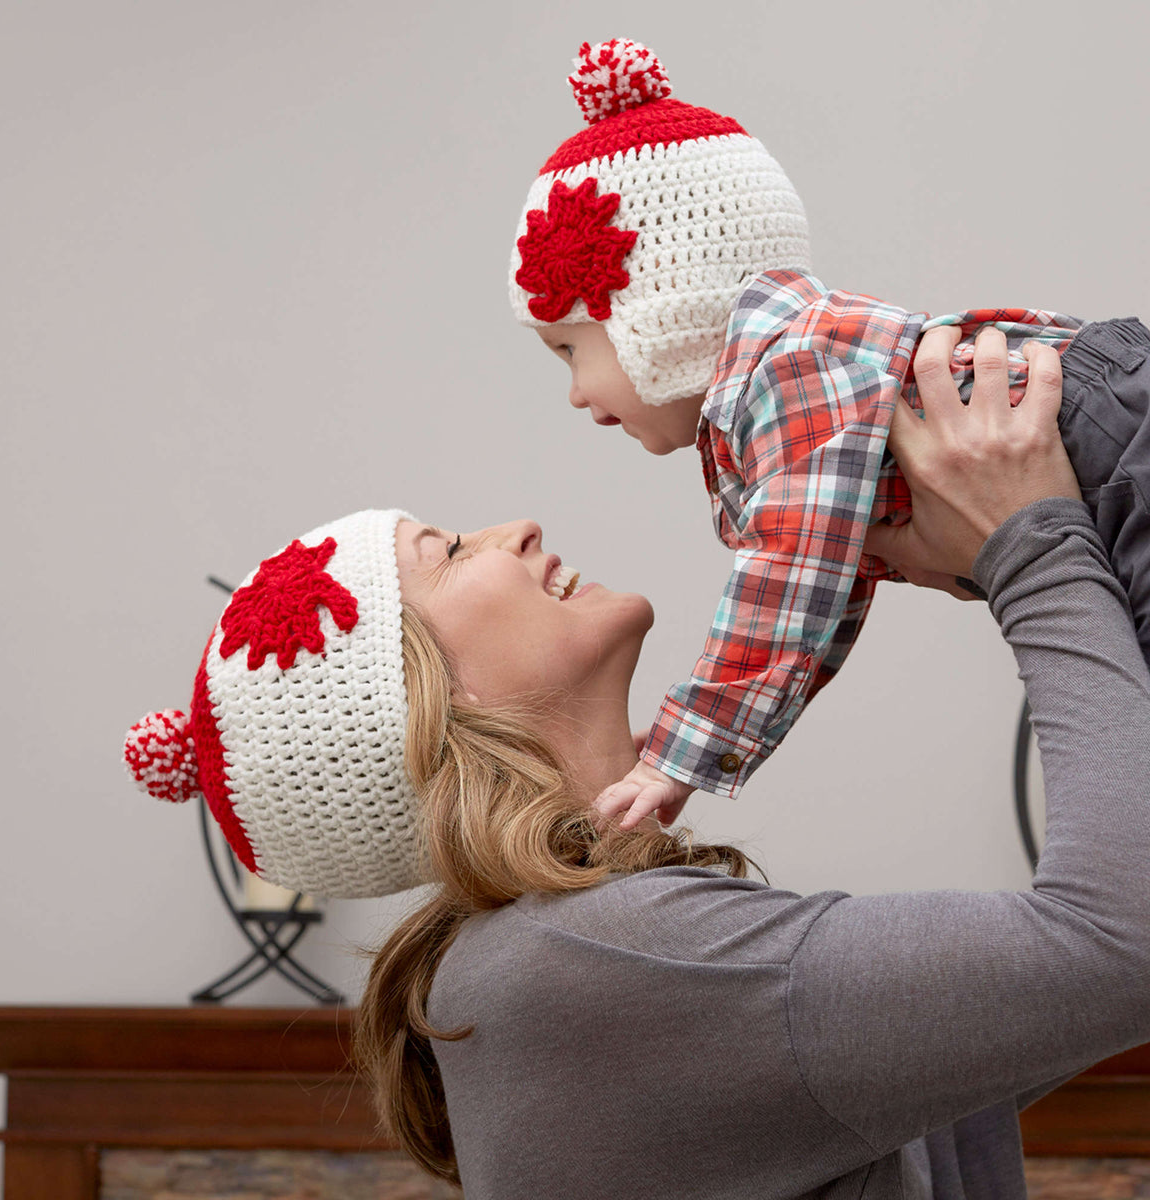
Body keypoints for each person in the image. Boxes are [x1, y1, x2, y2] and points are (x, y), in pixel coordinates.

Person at [124, 324, 1150, 1196]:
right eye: (447, 553)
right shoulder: (589, 969)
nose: (514, 530)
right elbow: (1123, 944)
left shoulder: (553, 970)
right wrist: (1032, 545)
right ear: (429, 711)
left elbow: (1049, 998)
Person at [508, 37, 1150, 831]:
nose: (574, 393)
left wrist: (684, 751)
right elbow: (822, 599)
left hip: (1111, 447)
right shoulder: (791, 381)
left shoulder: (791, 370)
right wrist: (705, 748)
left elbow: (788, 576)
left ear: (657, 316)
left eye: (571, 348)